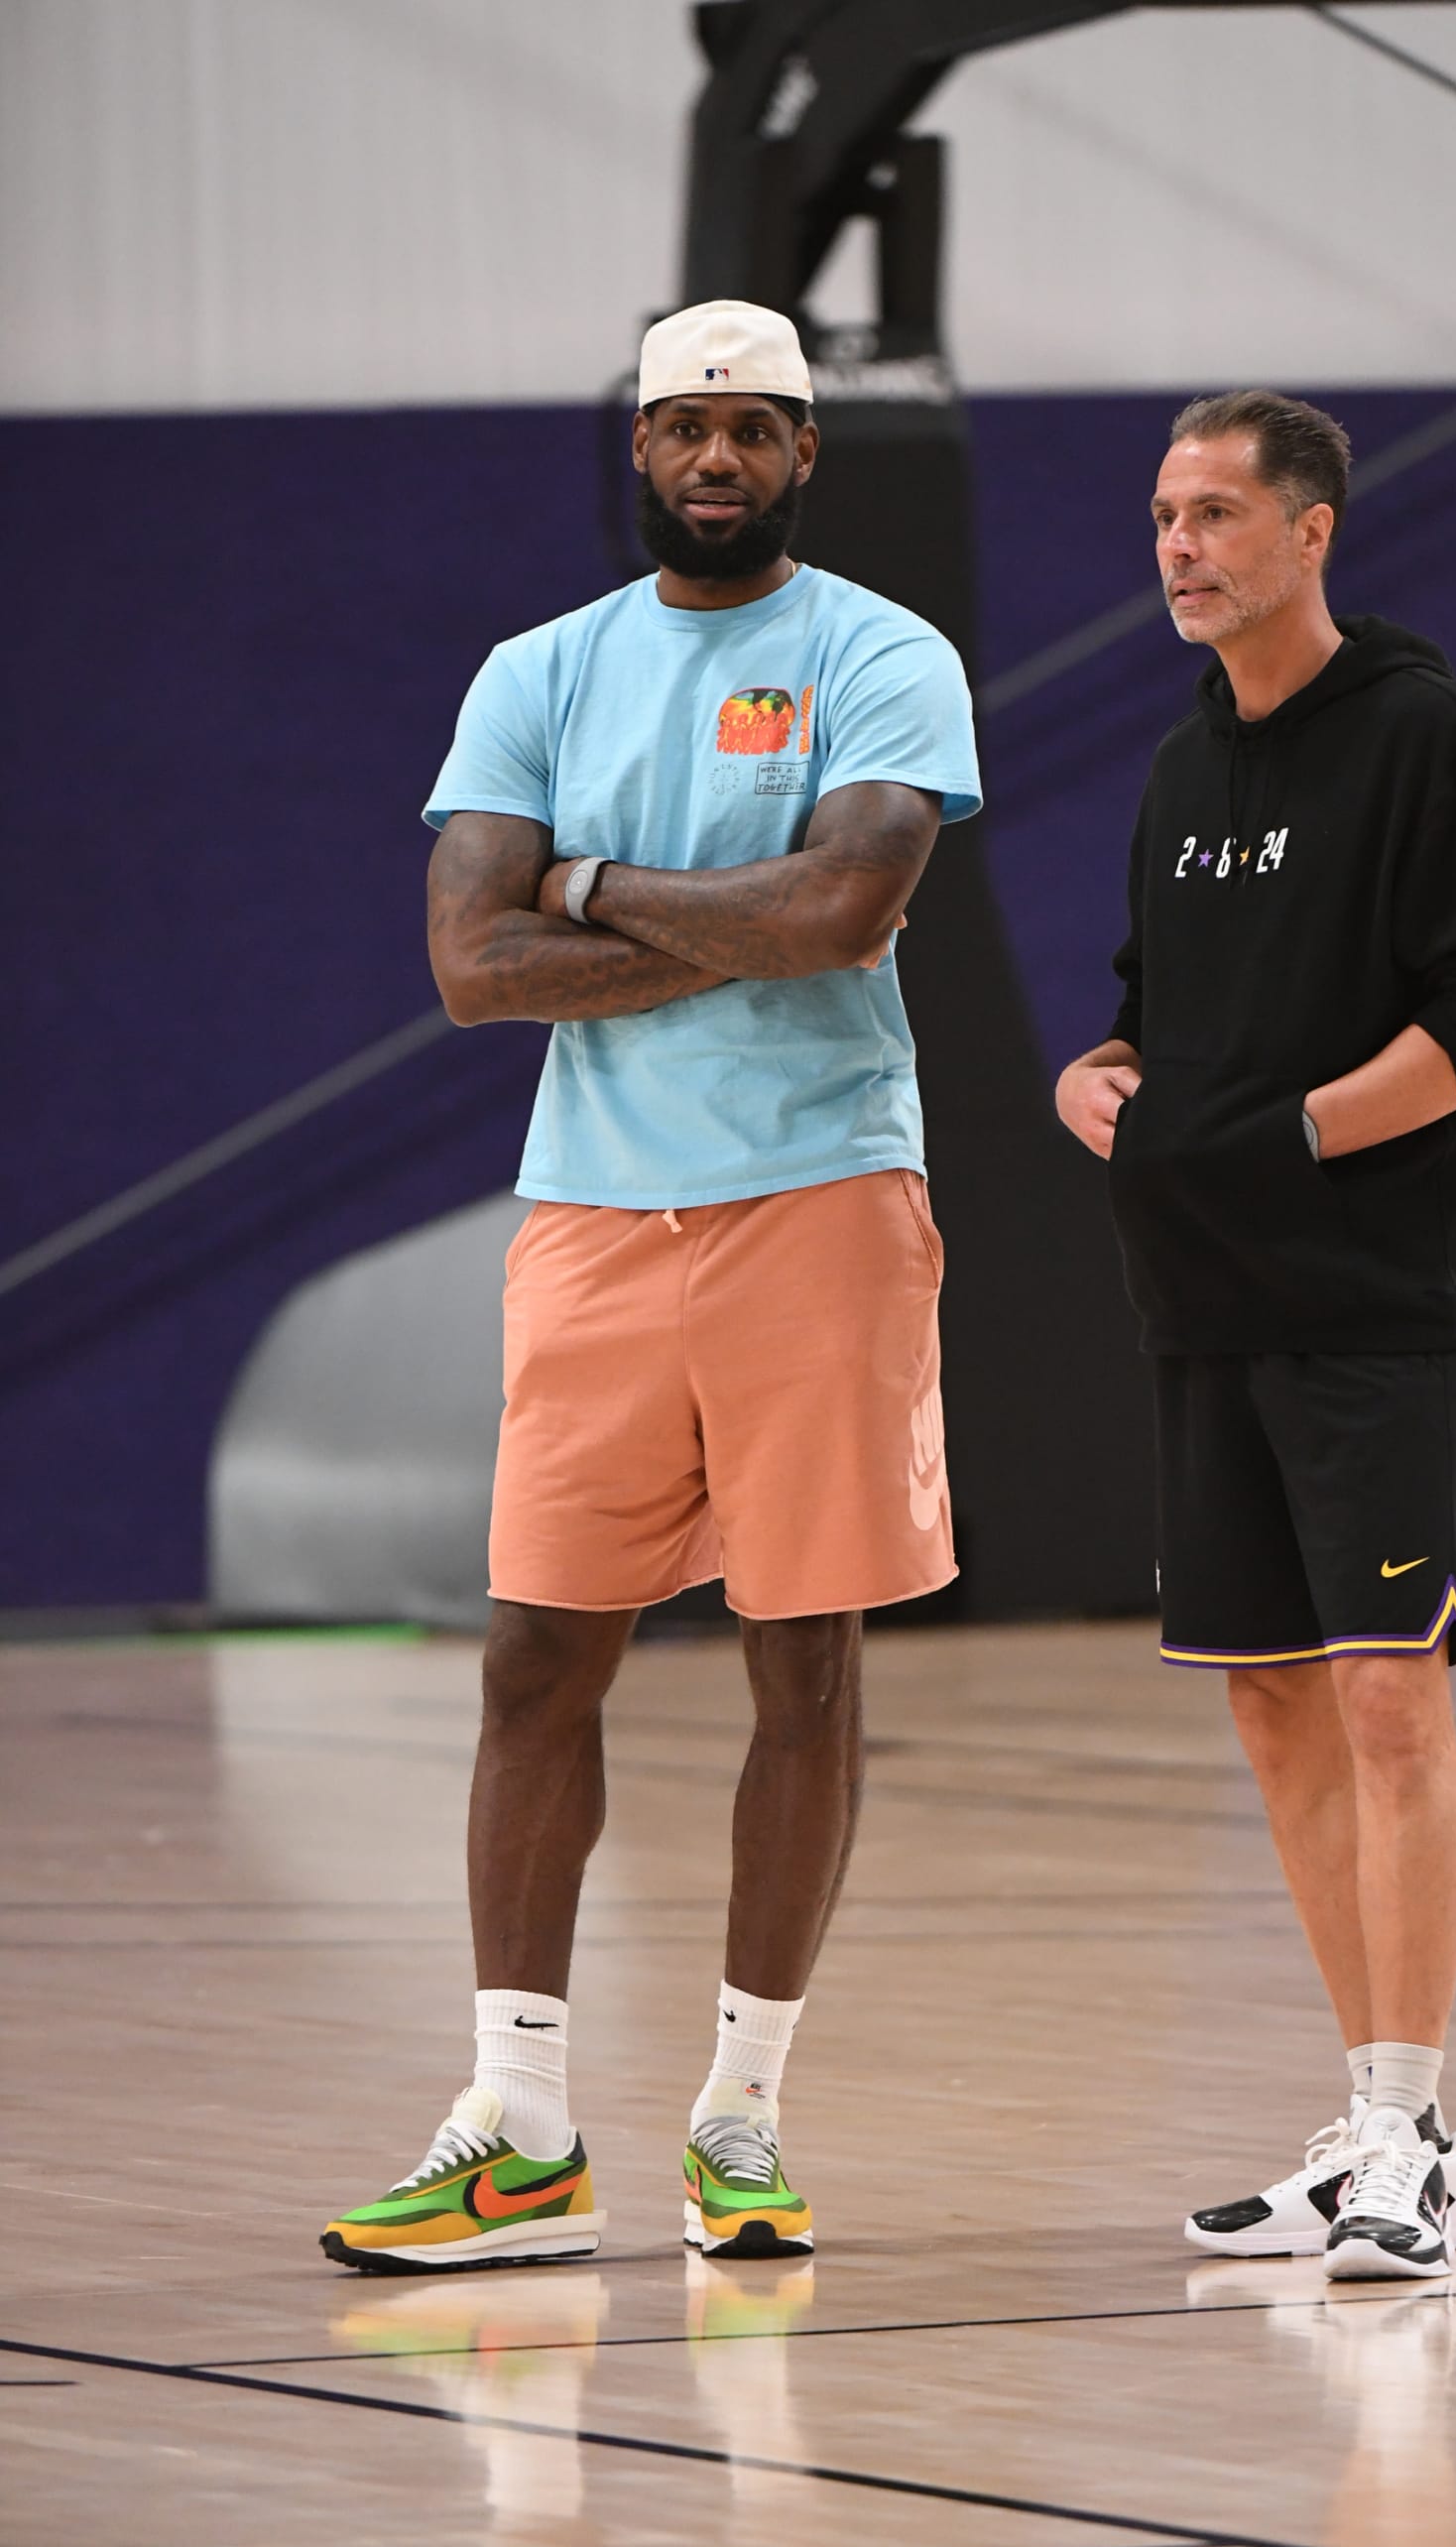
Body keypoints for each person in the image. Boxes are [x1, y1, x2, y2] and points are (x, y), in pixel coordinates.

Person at [321, 300, 980, 2273]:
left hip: (822, 1197)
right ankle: (519, 2131)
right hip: (596, 1217)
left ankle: (741, 2118)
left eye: (753, 429)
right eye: (686, 427)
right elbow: (472, 968)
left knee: (806, 1662)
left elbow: (847, 907)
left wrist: (592, 886)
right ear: (639, 445)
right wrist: (741, 920)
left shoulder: (880, 653)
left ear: (804, 452)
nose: (717, 458)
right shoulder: (541, 671)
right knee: (537, 1658)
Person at [1056, 390, 1456, 2281]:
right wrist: (1099, 1079)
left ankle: (1410, 2133)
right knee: (1275, 1704)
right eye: (1162, 516)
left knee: (1384, 1697)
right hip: (1206, 1299)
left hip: (1371, 1302)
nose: (1179, 547)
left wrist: (1300, 1138)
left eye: (1215, 513)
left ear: (1311, 533)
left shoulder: (1432, 740)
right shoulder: (1180, 769)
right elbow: (1156, 1011)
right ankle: (1386, 2127)